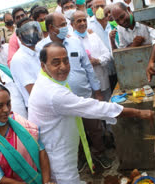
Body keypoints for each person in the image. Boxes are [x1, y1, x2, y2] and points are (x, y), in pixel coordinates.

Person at [28, 42, 153, 184]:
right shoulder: (53, 93)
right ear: (43, 65)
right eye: (56, 62)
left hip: (59, 152)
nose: (63, 67)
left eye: (66, 61)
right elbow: (94, 108)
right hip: (57, 160)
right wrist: (138, 113)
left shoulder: (47, 80)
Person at [37, 13, 112, 171]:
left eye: (66, 24)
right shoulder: (42, 48)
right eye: (62, 24)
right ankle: (80, 158)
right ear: (51, 28)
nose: (66, 28)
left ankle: (100, 153)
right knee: (71, 133)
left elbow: (88, 67)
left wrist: (97, 91)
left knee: (95, 127)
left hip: (84, 94)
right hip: (62, 101)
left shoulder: (75, 42)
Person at [111, 2, 155, 82]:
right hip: (142, 69)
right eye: (117, 20)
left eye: (122, 17)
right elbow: (123, 51)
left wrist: (151, 61)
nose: (121, 22)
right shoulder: (120, 29)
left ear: (128, 10)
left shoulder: (145, 18)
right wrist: (134, 45)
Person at [71, 10, 112, 101]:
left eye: (84, 20)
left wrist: (98, 61)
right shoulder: (71, 42)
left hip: (103, 82)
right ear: (72, 24)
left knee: (107, 108)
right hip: (86, 87)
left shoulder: (93, 36)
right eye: (79, 21)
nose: (82, 23)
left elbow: (107, 54)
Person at [10, 18, 42, 108]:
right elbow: (33, 91)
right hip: (38, 107)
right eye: (28, 30)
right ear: (19, 36)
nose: (33, 32)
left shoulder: (39, 50)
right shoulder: (19, 59)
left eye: (35, 28)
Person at [89, 0, 117, 90]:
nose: (100, 9)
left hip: (118, 64)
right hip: (102, 68)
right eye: (97, 7)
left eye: (102, 6)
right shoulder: (88, 25)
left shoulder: (114, 21)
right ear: (92, 9)